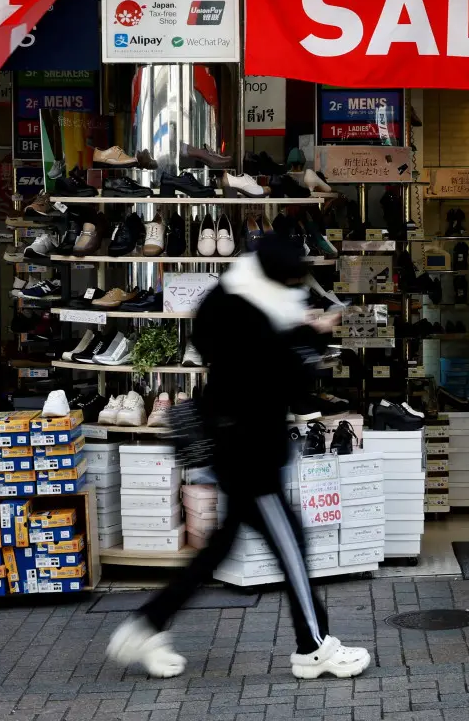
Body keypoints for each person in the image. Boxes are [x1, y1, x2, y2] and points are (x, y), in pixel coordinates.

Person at [107, 234, 371, 681]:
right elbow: (289, 381)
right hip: (252, 456)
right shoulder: (260, 318)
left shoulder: (228, 297)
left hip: (231, 445)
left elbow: (235, 354)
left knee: (219, 550)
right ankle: (315, 647)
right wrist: (310, 336)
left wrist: (294, 334)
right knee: (291, 548)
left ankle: (145, 626)